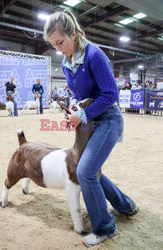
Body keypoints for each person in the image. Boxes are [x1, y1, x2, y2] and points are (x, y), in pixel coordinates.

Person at [44, 10, 139, 247]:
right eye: (53, 44)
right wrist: (74, 111)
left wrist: (83, 114)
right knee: (91, 170)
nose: (58, 49)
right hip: (89, 121)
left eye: (60, 42)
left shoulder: (95, 55)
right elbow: (78, 95)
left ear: (73, 34)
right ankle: (126, 206)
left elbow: (111, 95)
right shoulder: (67, 63)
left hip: (109, 120)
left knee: (85, 171)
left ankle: (105, 227)